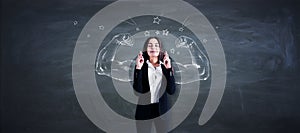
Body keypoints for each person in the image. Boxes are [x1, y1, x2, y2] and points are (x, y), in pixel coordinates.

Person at [133, 37, 176, 132]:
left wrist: (169, 68)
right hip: (144, 111)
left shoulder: (166, 64)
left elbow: (171, 90)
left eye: (156, 45)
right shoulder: (141, 65)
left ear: (160, 48)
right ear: (146, 49)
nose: (153, 47)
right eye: (150, 45)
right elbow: (138, 92)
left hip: (162, 111)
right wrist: (138, 68)